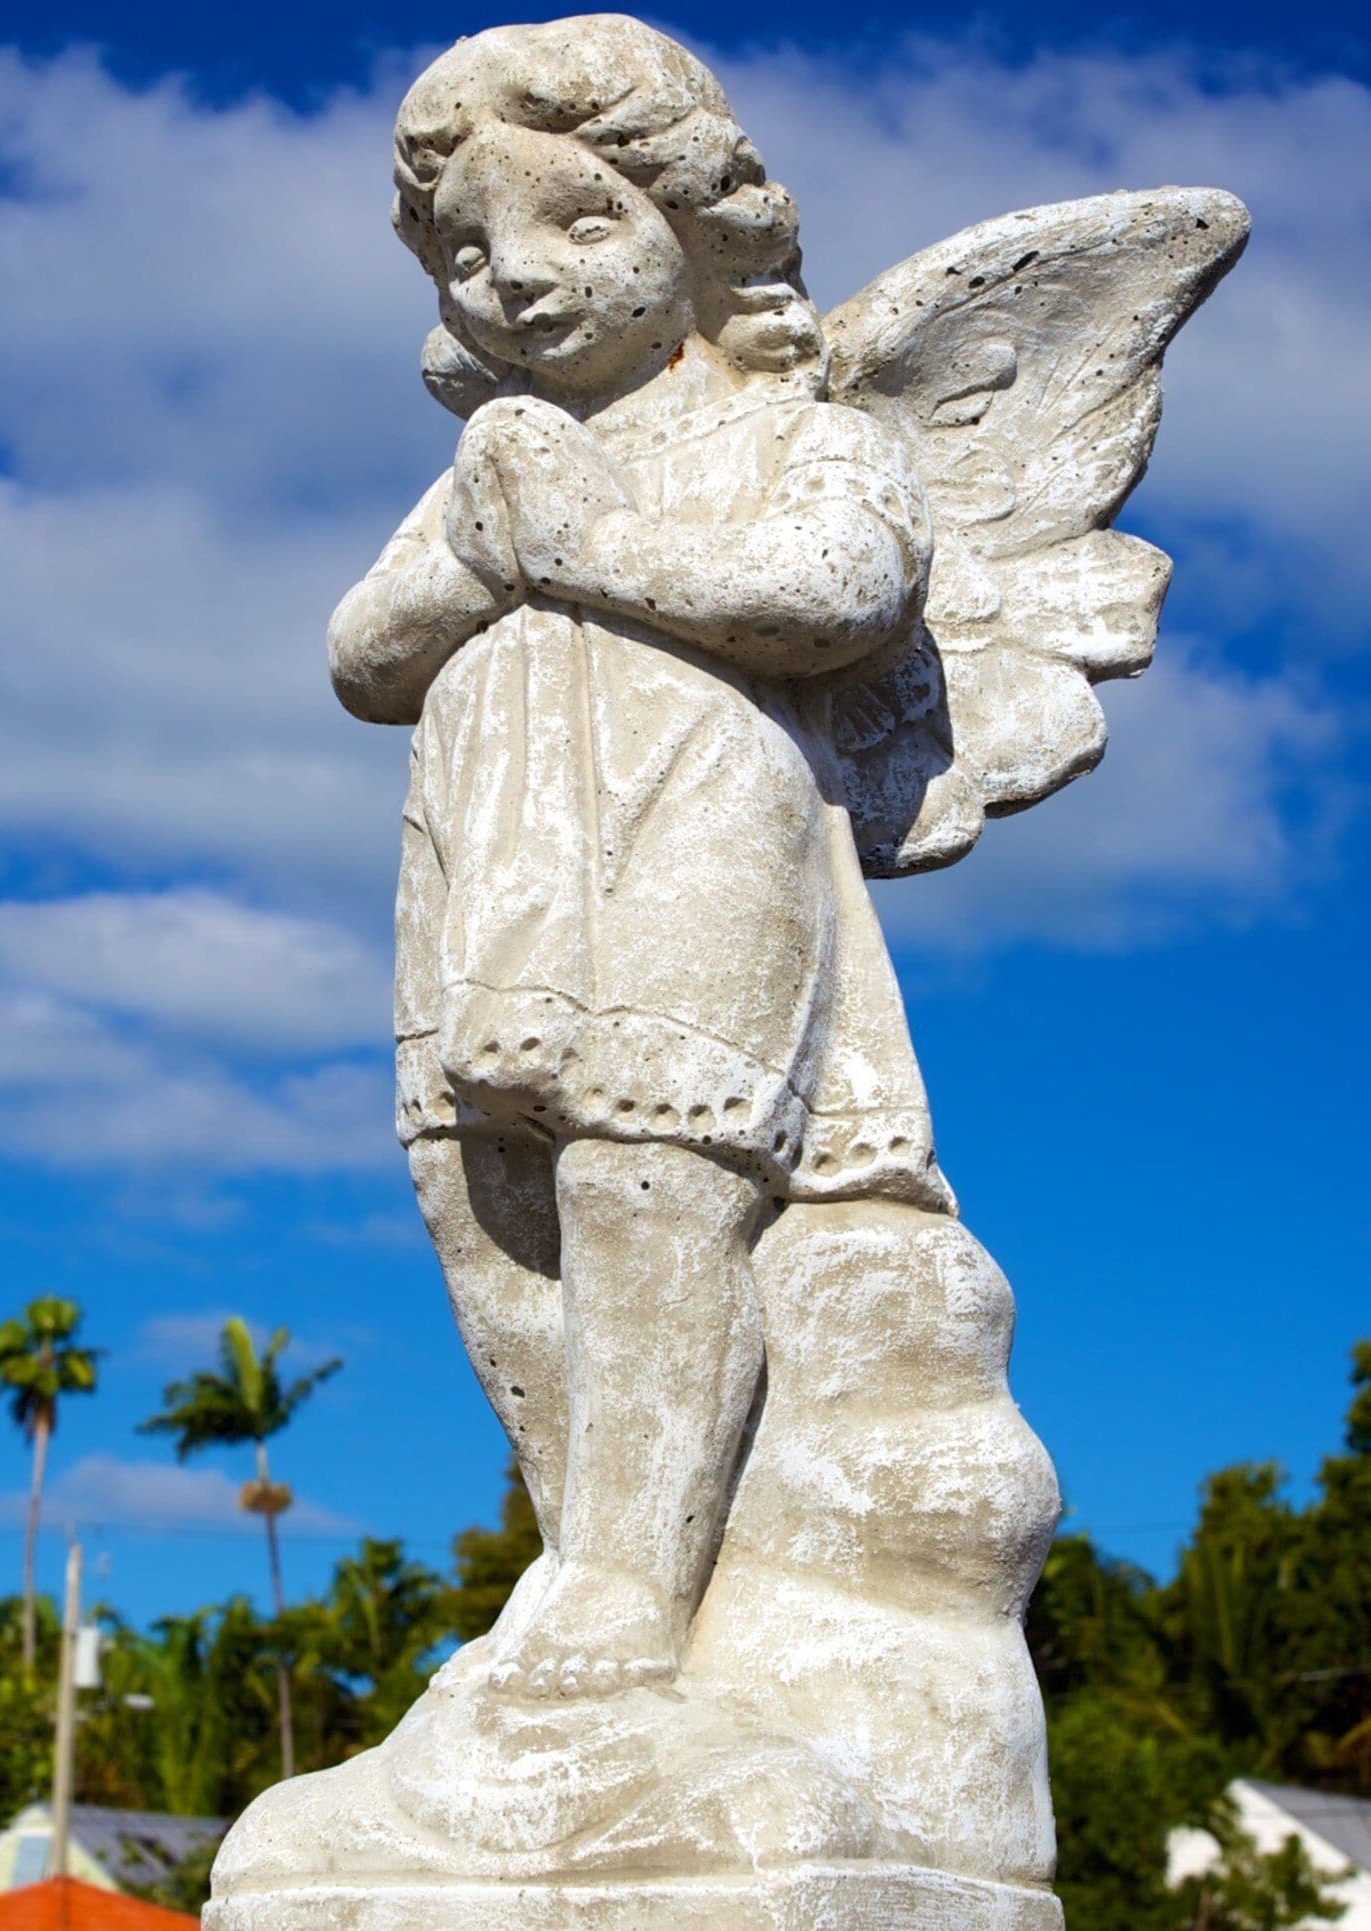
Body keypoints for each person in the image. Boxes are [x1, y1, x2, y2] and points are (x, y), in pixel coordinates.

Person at [330, 15, 952, 1701]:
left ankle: (636, 1584)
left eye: (578, 224)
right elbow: (362, 653)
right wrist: (492, 539)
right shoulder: (494, 460)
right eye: (464, 251)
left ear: (702, 231)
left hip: (697, 812)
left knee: (646, 1172)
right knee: (481, 1202)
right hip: (486, 845)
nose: (512, 280)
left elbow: (835, 590)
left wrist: (586, 544)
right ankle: (574, 1547)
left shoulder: (801, 433)